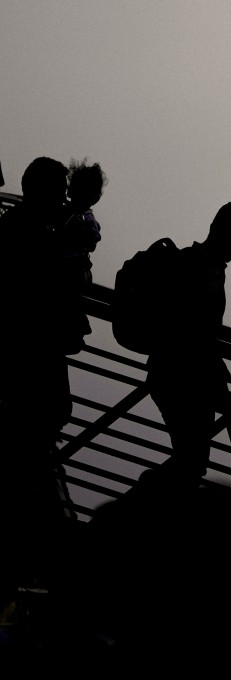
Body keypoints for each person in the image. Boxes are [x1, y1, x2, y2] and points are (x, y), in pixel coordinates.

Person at [0, 158, 78, 605]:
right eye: (59, 189)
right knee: (28, 454)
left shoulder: (19, 229)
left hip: (26, 364)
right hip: (31, 362)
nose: (64, 197)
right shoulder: (33, 236)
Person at [144, 202, 231, 488]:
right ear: (216, 228)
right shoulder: (195, 266)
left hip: (184, 377)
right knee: (191, 461)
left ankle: (145, 497)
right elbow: (186, 328)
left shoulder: (207, 267)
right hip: (180, 377)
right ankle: (144, 498)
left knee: (190, 461)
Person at [56, 158, 106, 346]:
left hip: (76, 265)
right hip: (67, 263)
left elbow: (93, 238)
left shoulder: (85, 217)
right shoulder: (65, 212)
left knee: (71, 289)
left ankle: (77, 324)